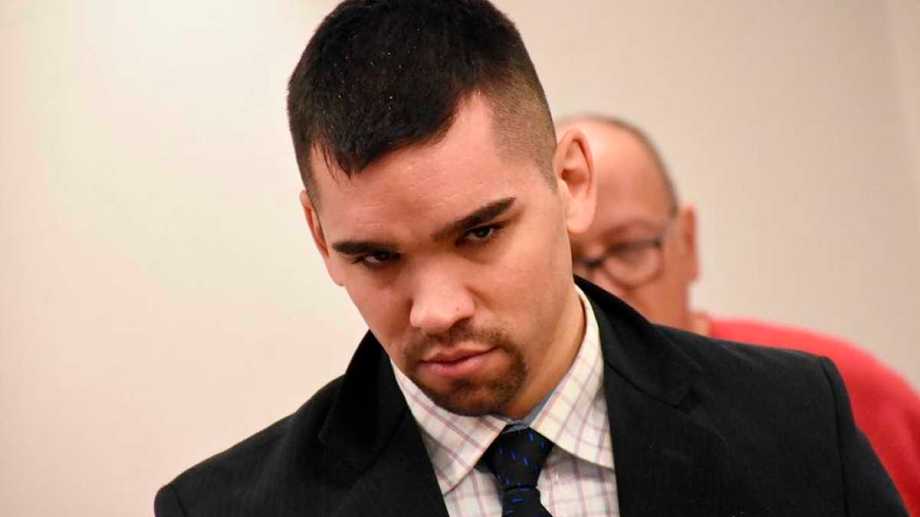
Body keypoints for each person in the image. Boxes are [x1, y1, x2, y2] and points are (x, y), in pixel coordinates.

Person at [154, 2, 906, 515]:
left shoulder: (798, 425)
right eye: (377, 257)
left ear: (570, 182)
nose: (437, 310)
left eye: (480, 233)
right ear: (321, 238)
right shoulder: (222, 509)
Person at [562, 114, 920, 515]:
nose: (603, 290)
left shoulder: (833, 394)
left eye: (629, 249)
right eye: (569, 262)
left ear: (687, 242)